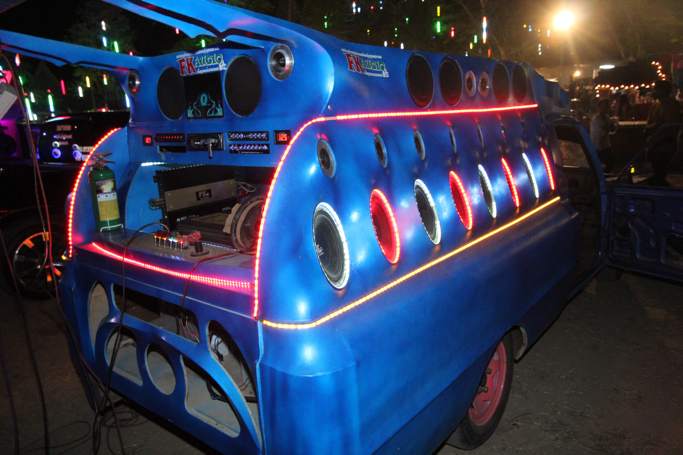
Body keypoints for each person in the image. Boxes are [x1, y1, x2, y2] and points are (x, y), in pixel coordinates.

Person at [645, 80, 682, 186]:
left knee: (660, 161)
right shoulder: (656, 105)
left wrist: (654, 128)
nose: (654, 91)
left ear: (663, 90)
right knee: (655, 163)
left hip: (665, 141)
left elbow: (669, 125)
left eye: (656, 89)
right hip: (655, 140)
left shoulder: (672, 105)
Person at [590, 98, 617, 170]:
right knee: (601, 168)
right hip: (598, 147)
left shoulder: (607, 117)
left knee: (609, 165)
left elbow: (612, 129)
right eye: (603, 107)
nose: (605, 109)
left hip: (606, 146)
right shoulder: (596, 119)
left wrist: (613, 125)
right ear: (599, 108)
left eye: (606, 107)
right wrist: (609, 127)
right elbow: (601, 133)